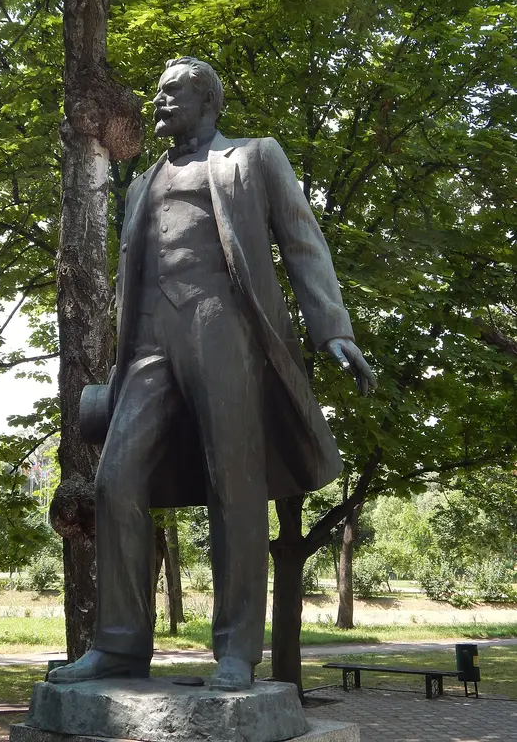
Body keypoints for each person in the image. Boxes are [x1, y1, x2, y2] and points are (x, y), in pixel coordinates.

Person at [49, 57, 375, 691]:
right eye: (157, 93)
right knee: (116, 482)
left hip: (224, 326)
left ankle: (235, 649)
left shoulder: (253, 159)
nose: (159, 102)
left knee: (235, 484)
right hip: (147, 339)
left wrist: (333, 328)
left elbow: (305, 243)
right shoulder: (142, 182)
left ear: (208, 103)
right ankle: (118, 645)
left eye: (172, 92)